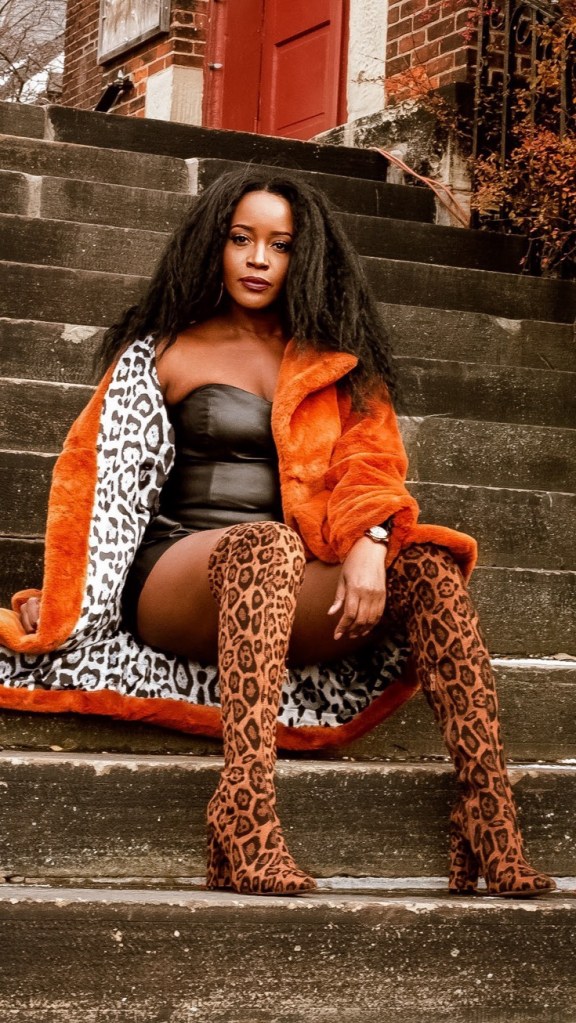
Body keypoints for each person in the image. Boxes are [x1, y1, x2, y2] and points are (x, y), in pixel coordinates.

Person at [17, 169, 555, 899]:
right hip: (176, 578)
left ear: (307, 258)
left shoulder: (338, 363)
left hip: (284, 580)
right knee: (264, 544)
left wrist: (371, 541)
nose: (258, 259)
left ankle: (486, 812)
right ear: (212, 245)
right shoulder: (163, 351)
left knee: (428, 563)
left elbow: (373, 466)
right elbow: (96, 483)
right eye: (241, 239)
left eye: (281, 245)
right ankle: (243, 813)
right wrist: (66, 599)